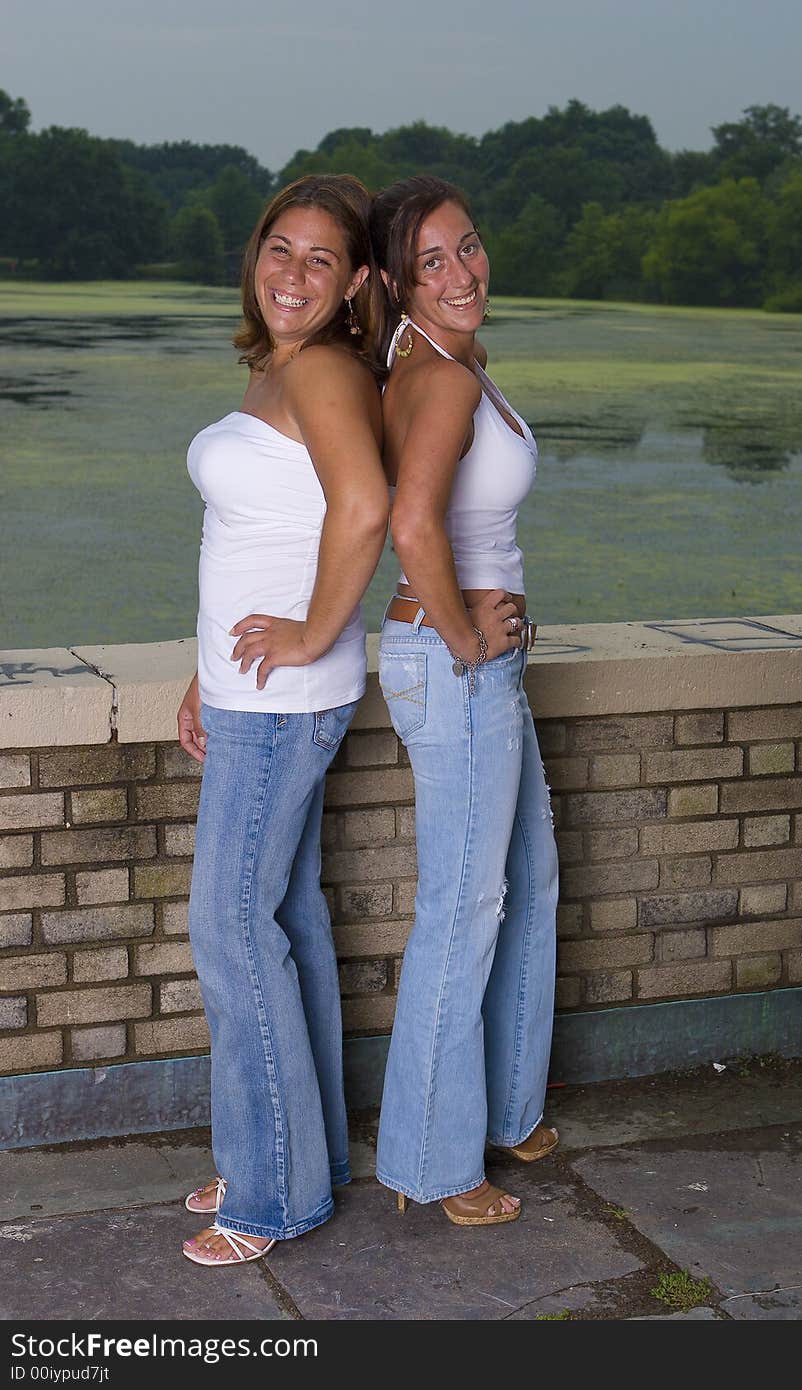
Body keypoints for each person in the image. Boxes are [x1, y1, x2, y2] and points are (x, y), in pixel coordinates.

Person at [175, 175, 388, 1266]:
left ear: (354, 282)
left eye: (319, 260)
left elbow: (365, 508)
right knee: (287, 921)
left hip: (285, 699)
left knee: (229, 930)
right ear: (255, 255)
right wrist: (204, 669)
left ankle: (271, 1195)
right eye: (278, 249)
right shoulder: (279, 369)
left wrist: (308, 633)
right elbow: (249, 534)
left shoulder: (321, 369)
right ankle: (299, 1155)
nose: (291, 274)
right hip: (249, 693)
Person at [369, 176, 559, 1227]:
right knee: (463, 909)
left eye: (469, 248)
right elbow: (409, 526)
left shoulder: (449, 363)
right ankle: (433, 1161)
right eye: (432, 261)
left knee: (526, 880)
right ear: (398, 280)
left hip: (476, 666)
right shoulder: (437, 380)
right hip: (455, 669)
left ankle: (506, 1108)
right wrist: (463, 635)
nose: (461, 272)